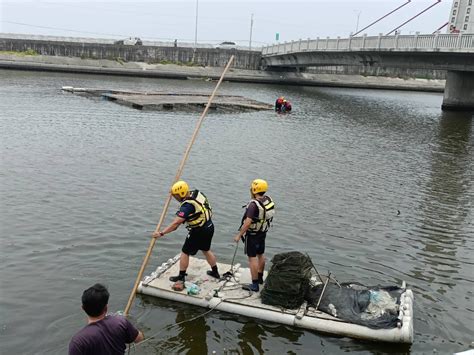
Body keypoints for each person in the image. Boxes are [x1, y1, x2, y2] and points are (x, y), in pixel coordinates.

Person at [153, 180, 220, 283]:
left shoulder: (188, 206)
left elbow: (176, 224)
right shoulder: (196, 193)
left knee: (185, 252)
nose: (175, 198)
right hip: (209, 226)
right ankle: (215, 272)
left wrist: (161, 233)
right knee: (206, 249)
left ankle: (181, 276)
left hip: (199, 231)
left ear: (182, 193)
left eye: (176, 196)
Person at [69, 283, 144, 355]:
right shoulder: (120, 322)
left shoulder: (78, 341)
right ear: (106, 307)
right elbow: (139, 338)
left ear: (83, 308)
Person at [233, 179, 275, 292]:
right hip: (262, 233)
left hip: (252, 235)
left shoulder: (253, 205)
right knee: (261, 254)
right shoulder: (268, 200)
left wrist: (239, 235)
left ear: (254, 189)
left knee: (252, 258)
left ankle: (255, 284)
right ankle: (260, 277)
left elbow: (247, 223)